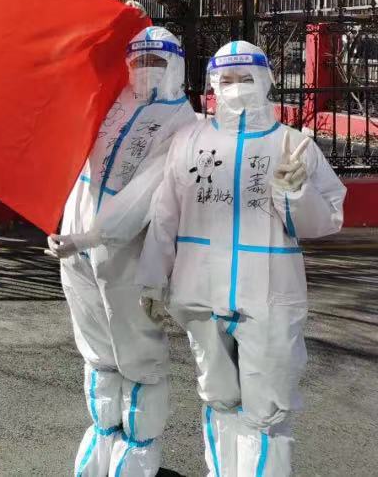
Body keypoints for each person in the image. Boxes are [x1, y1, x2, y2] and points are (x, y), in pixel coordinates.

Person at [138, 40, 345, 476]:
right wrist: (153, 279)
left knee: (266, 411)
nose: (235, 88)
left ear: (265, 81)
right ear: (213, 85)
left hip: (268, 298)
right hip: (199, 295)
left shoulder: (293, 145)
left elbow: (325, 220)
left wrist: (295, 193)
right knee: (218, 399)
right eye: (226, 80)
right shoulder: (189, 141)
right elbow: (164, 215)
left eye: (245, 78)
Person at [47, 26, 197, 477]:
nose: (146, 70)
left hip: (126, 256)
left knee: (138, 354)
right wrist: (62, 222)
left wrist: (91, 236)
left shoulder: (183, 124)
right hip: (75, 249)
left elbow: (144, 195)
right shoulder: (113, 105)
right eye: (139, 61)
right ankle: (103, 437)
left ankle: (137, 451)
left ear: (176, 66)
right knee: (97, 350)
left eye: (157, 62)